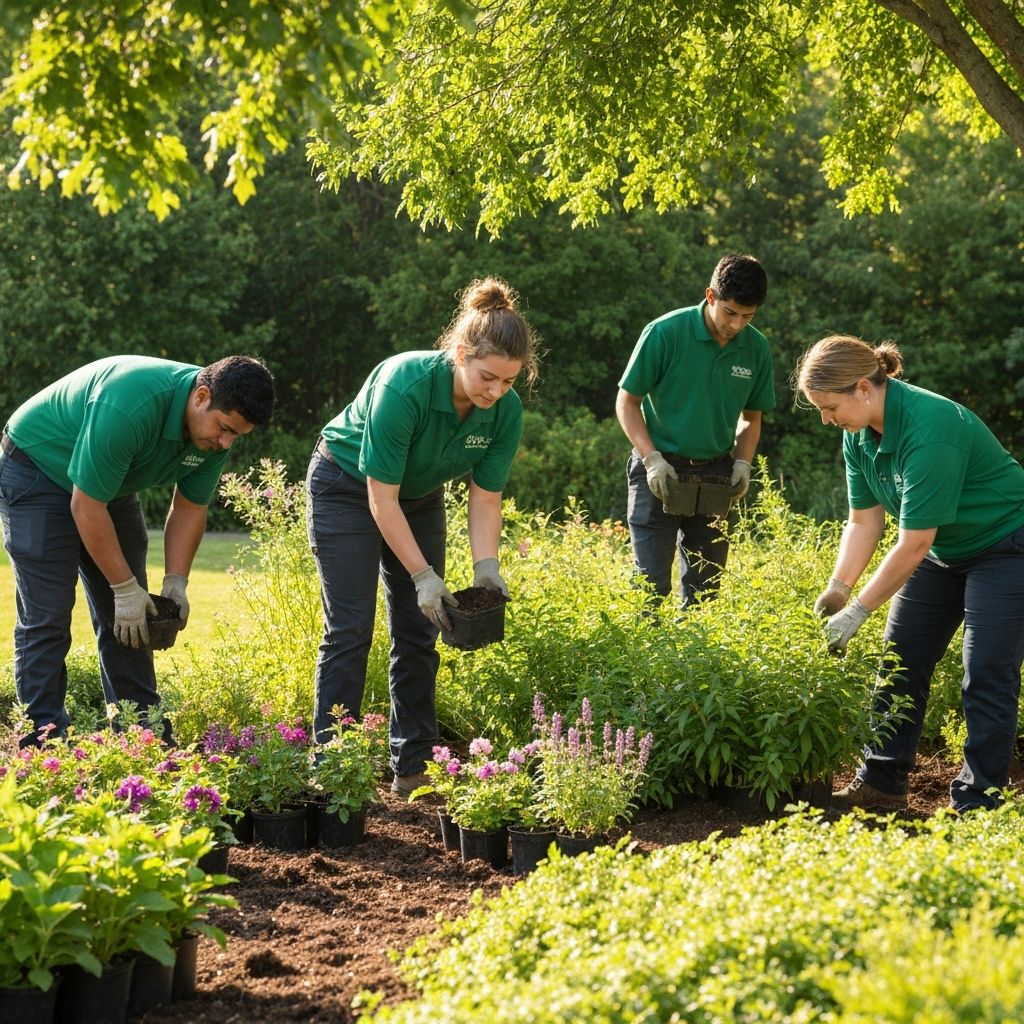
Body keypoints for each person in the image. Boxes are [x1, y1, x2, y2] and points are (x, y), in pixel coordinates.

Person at [307, 277, 539, 798]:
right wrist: (423, 575)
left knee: (420, 627)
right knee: (351, 627)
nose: (495, 392)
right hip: (346, 486)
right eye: (487, 377)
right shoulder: (404, 385)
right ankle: (331, 770)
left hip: (418, 494)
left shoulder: (505, 412)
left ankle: (410, 768)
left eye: (507, 381)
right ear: (459, 353)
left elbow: (484, 497)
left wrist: (486, 566)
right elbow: (380, 499)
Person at [795, 334, 1024, 813]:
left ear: (863, 387)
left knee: (984, 671)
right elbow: (864, 520)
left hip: (1006, 544)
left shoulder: (930, 426)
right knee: (900, 662)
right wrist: (838, 590)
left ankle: (979, 804)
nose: (825, 418)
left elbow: (914, 541)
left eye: (828, 406)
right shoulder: (856, 433)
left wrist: (859, 612)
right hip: (944, 549)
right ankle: (881, 782)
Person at [0, 354, 276, 747]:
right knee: (48, 616)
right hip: (38, 466)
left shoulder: (212, 436)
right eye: (225, 429)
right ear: (201, 396)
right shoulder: (130, 404)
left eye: (237, 436)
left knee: (134, 617)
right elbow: (85, 506)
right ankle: (42, 746)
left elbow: (190, 507)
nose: (226, 443)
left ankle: (143, 737)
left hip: (107, 483)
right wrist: (123, 587)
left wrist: (176, 582)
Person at [615, 253, 775, 607]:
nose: (735, 325)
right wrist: (652, 458)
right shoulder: (666, 332)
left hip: (717, 473)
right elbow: (626, 402)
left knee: (706, 591)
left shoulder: (756, 348)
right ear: (711, 295)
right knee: (649, 586)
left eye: (747, 317)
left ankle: (693, 661)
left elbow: (751, 416)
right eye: (729, 313)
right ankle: (647, 658)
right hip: (659, 468)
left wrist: (743, 463)